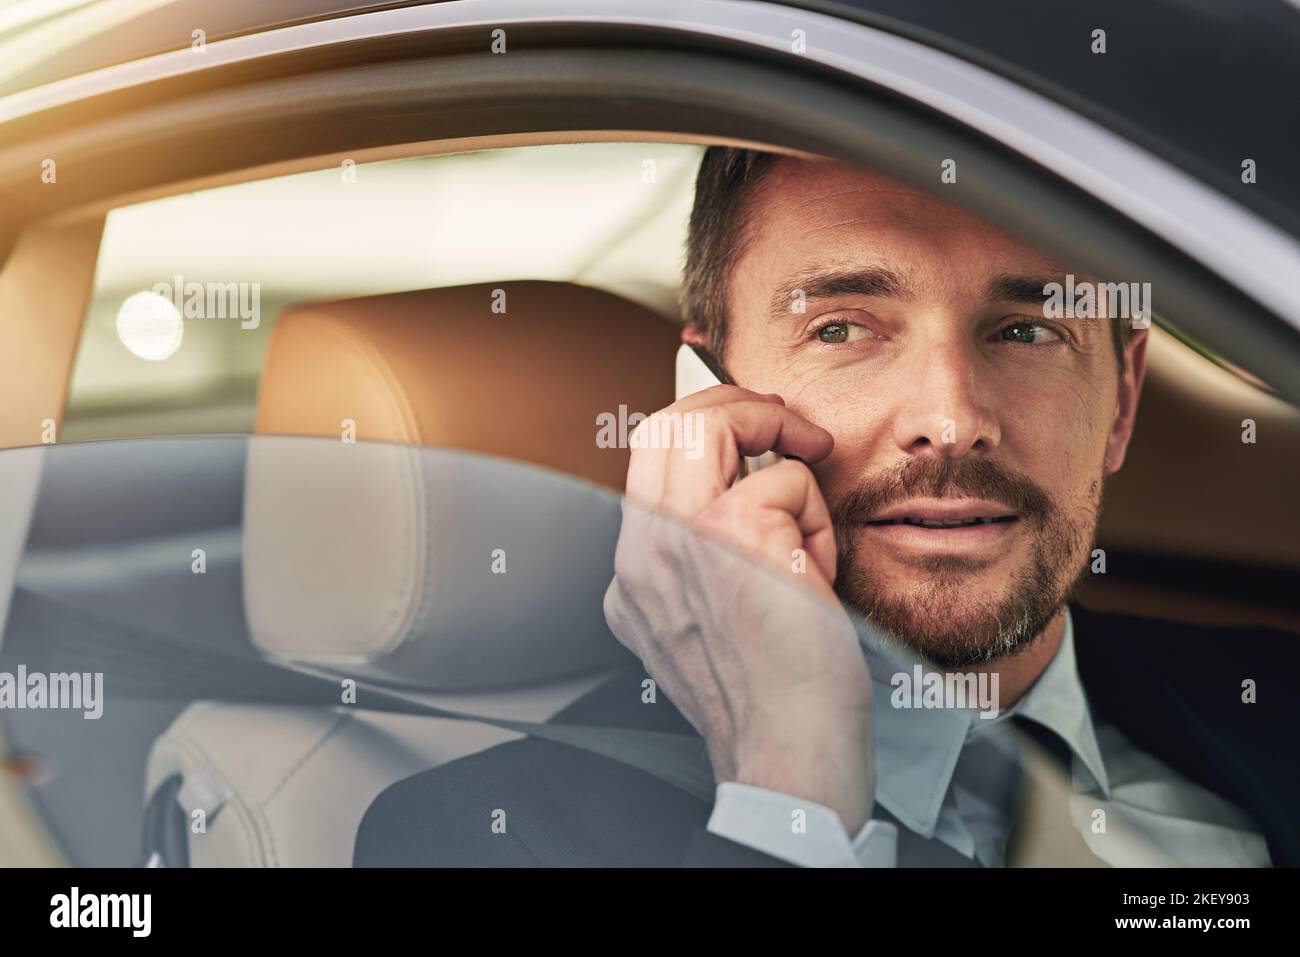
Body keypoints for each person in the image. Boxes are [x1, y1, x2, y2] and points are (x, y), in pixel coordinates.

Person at [354, 148, 1298, 867]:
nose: (952, 418)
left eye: (1026, 329)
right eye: (841, 328)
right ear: (705, 396)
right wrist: (787, 793)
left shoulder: (1275, 707)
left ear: (1121, 402)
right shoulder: (483, 840)